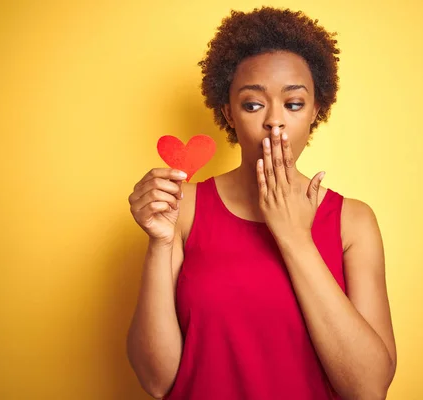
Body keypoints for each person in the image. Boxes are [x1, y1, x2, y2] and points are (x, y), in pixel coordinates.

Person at [127, 6, 397, 400]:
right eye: (253, 105)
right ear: (229, 114)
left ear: (315, 113)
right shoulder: (183, 208)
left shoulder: (352, 222)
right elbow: (156, 382)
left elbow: (369, 390)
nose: (275, 122)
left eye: (293, 104)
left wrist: (294, 237)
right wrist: (159, 243)